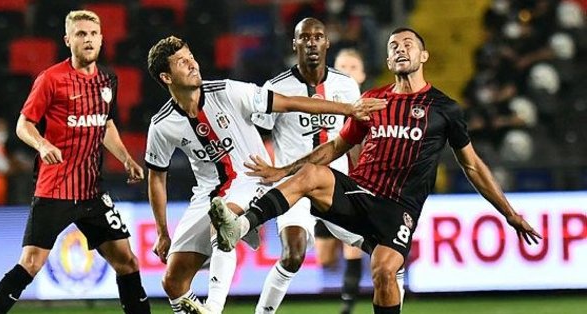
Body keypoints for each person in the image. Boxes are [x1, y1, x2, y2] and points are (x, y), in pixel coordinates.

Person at [209, 27, 542, 314]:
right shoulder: (373, 99)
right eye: (393, 46)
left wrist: (509, 213)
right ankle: (239, 227)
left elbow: (472, 165)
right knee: (311, 175)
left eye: (407, 43)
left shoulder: (444, 109)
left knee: (383, 272)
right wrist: (283, 170)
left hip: (398, 210)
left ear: (424, 55)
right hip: (358, 194)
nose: (400, 48)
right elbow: (336, 147)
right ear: (387, 62)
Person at [144, 35, 384, 314]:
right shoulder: (162, 125)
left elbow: (291, 102)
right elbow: (156, 177)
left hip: (252, 178)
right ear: (166, 76)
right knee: (173, 282)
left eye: (190, 56)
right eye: (181, 62)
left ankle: (214, 307)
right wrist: (162, 232)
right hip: (207, 194)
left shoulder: (228, 91)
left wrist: (347, 109)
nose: (192, 64)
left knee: (223, 222)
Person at [0, 10, 151, 314]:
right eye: (80, 34)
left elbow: (106, 125)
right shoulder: (51, 79)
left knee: (127, 261)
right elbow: (24, 124)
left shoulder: (107, 79)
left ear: (101, 39)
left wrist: (126, 158)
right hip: (54, 190)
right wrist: (42, 143)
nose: (87, 39)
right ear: (68, 40)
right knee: (31, 263)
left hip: (92, 192)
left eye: (92, 34)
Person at [250, 19, 391, 314]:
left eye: (318, 37)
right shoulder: (275, 88)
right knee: (293, 255)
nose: (311, 42)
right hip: (294, 186)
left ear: (327, 43)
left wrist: (365, 177)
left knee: (387, 248)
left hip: (336, 186)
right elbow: (258, 135)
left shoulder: (346, 85)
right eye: (304, 37)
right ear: (295, 44)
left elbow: (354, 137)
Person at [313, 48, 405, 314]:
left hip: (358, 187)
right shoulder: (322, 106)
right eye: (341, 66)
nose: (346, 72)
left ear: (363, 74)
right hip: (321, 184)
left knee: (353, 248)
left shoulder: (376, 107)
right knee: (324, 258)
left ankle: (348, 308)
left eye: (353, 67)